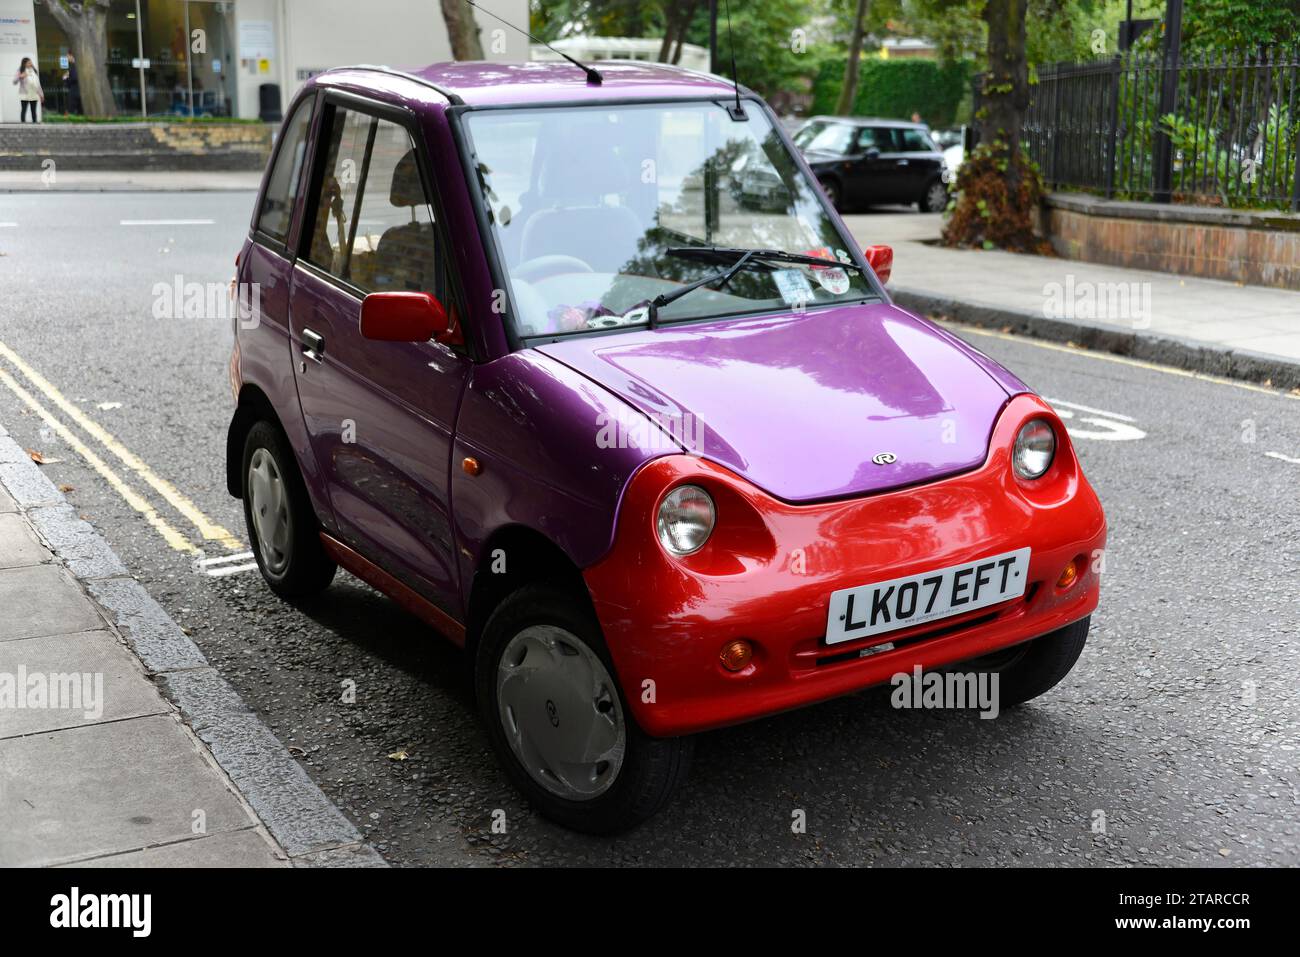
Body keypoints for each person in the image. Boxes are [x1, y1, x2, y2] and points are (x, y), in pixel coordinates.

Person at [13, 57, 43, 122]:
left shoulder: (34, 71)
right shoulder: (20, 70)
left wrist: (41, 94)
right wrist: (20, 76)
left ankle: (35, 125)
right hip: (25, 93)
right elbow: (14, 81)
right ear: (24, 63)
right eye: (29, 62)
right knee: (24, 110)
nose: (30, 63)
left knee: (33, 111)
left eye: (31, 62)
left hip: (34, 93)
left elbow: (38, 84)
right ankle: (23, 125)